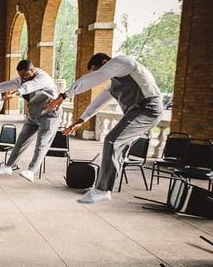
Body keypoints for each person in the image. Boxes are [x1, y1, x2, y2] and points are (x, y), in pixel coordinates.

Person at [45, 53, 163, 203]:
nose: (96, 74)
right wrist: (81, 120)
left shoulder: (124, 62)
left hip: (148, 109)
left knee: (112, 141)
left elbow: (97, 76)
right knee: (117, 145)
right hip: (138, 111)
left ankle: (102, 190)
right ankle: (105, 184)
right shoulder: (114, 84)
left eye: (96, 70)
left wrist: (64, 95)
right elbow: (98, 101)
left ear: (105, 62)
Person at [0, 60, 62, 182]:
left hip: (50, 115)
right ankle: (8, 167)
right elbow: (8, 84)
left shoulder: (43, 77)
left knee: (42, 143)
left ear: (32, 71)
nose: (23, 78)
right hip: (34, 114)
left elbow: (29, 86)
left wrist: (15, 93)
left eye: (25, 75)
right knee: (21, 140)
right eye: (21, 76)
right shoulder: (24, 78)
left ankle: (31, 171)